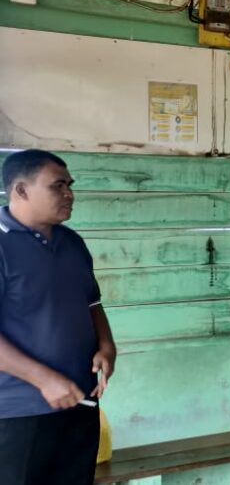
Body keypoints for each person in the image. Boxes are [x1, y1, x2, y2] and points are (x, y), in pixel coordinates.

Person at [0, 149, 117, 485]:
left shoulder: (72, 242)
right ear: (21, 190)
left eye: (70, 185)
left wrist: (107, 346)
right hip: (18, 412)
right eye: (58, 185)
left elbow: (92, 303)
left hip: (80, 401)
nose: (69, 194)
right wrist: (44, 380)